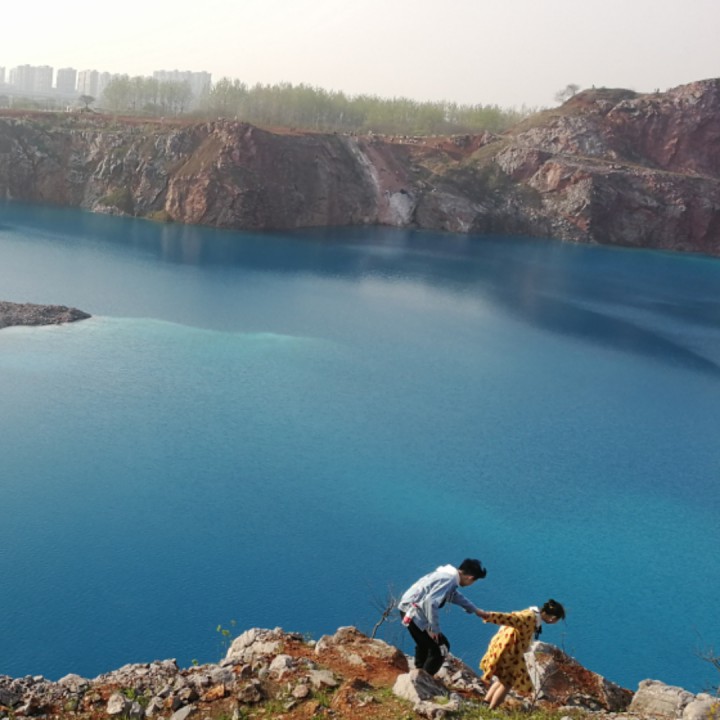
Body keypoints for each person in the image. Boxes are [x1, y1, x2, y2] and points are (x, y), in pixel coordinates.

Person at [398, 558, 487, 675]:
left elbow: (454, 595)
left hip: (407, 608)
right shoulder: (449, 580)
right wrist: (433, 628)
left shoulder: (447, 575)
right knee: (441, 648)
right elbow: (430, 602)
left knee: (425, 644)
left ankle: (417, 673)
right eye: (473, 581)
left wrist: (475, 610)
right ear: (470, 577)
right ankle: (424, 678)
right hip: (414, 613)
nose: (471, 584)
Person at [478, 599, 566, 709]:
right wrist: (488, 615)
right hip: (510, 652)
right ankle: (491, 709)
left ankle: (485, 703)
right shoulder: (530, 617)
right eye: (556, 620)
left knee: (503, 679)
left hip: (509, 650)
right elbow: (510, 618)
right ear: (552, 617)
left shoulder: (531, 616)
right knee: (507, 683)